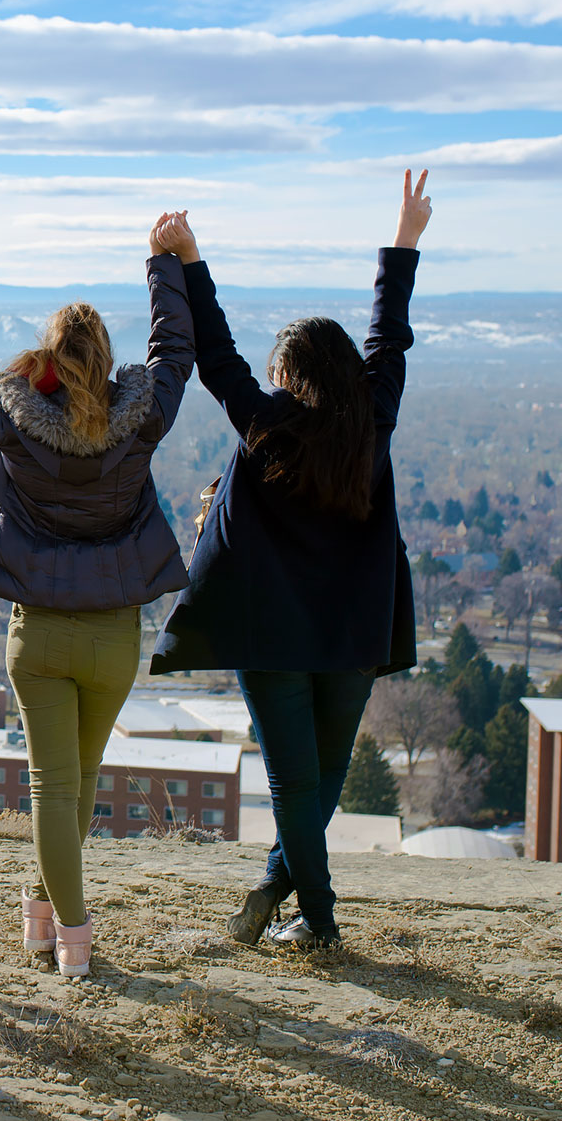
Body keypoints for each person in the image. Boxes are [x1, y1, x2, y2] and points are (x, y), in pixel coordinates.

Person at [149, 172, 434, 950]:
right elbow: (388, 333)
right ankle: (285, 892)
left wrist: (187, 260)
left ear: (292, 378)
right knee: (322, 778)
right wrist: (404, 241)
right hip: (351, 634)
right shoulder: (373, 422)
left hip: (272, 635)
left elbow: (216, 353)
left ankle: (317, 917)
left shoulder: (266, 426)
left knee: (294, 783)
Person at [0, 216, 196, 977]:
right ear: (107, 360)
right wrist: (162, 264)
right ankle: (48, 924)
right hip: (114, 637)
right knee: (79, 784)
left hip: (39, 634)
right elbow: (175, 353)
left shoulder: (16, 421)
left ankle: (62, 936)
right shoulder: (139, 422)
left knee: (52, 787)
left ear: (49, 357)